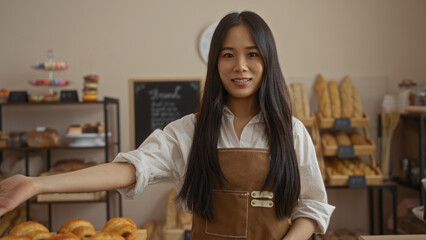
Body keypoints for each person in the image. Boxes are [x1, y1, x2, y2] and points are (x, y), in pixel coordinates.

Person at [0, 11, 334, 240]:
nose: (240, 66)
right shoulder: (191, 131)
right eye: (228, 55)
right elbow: (130, 169)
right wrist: (37, 185)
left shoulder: (291, 132)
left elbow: (312, 206)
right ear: (215, 62)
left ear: (268, 60)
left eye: (252, 54)